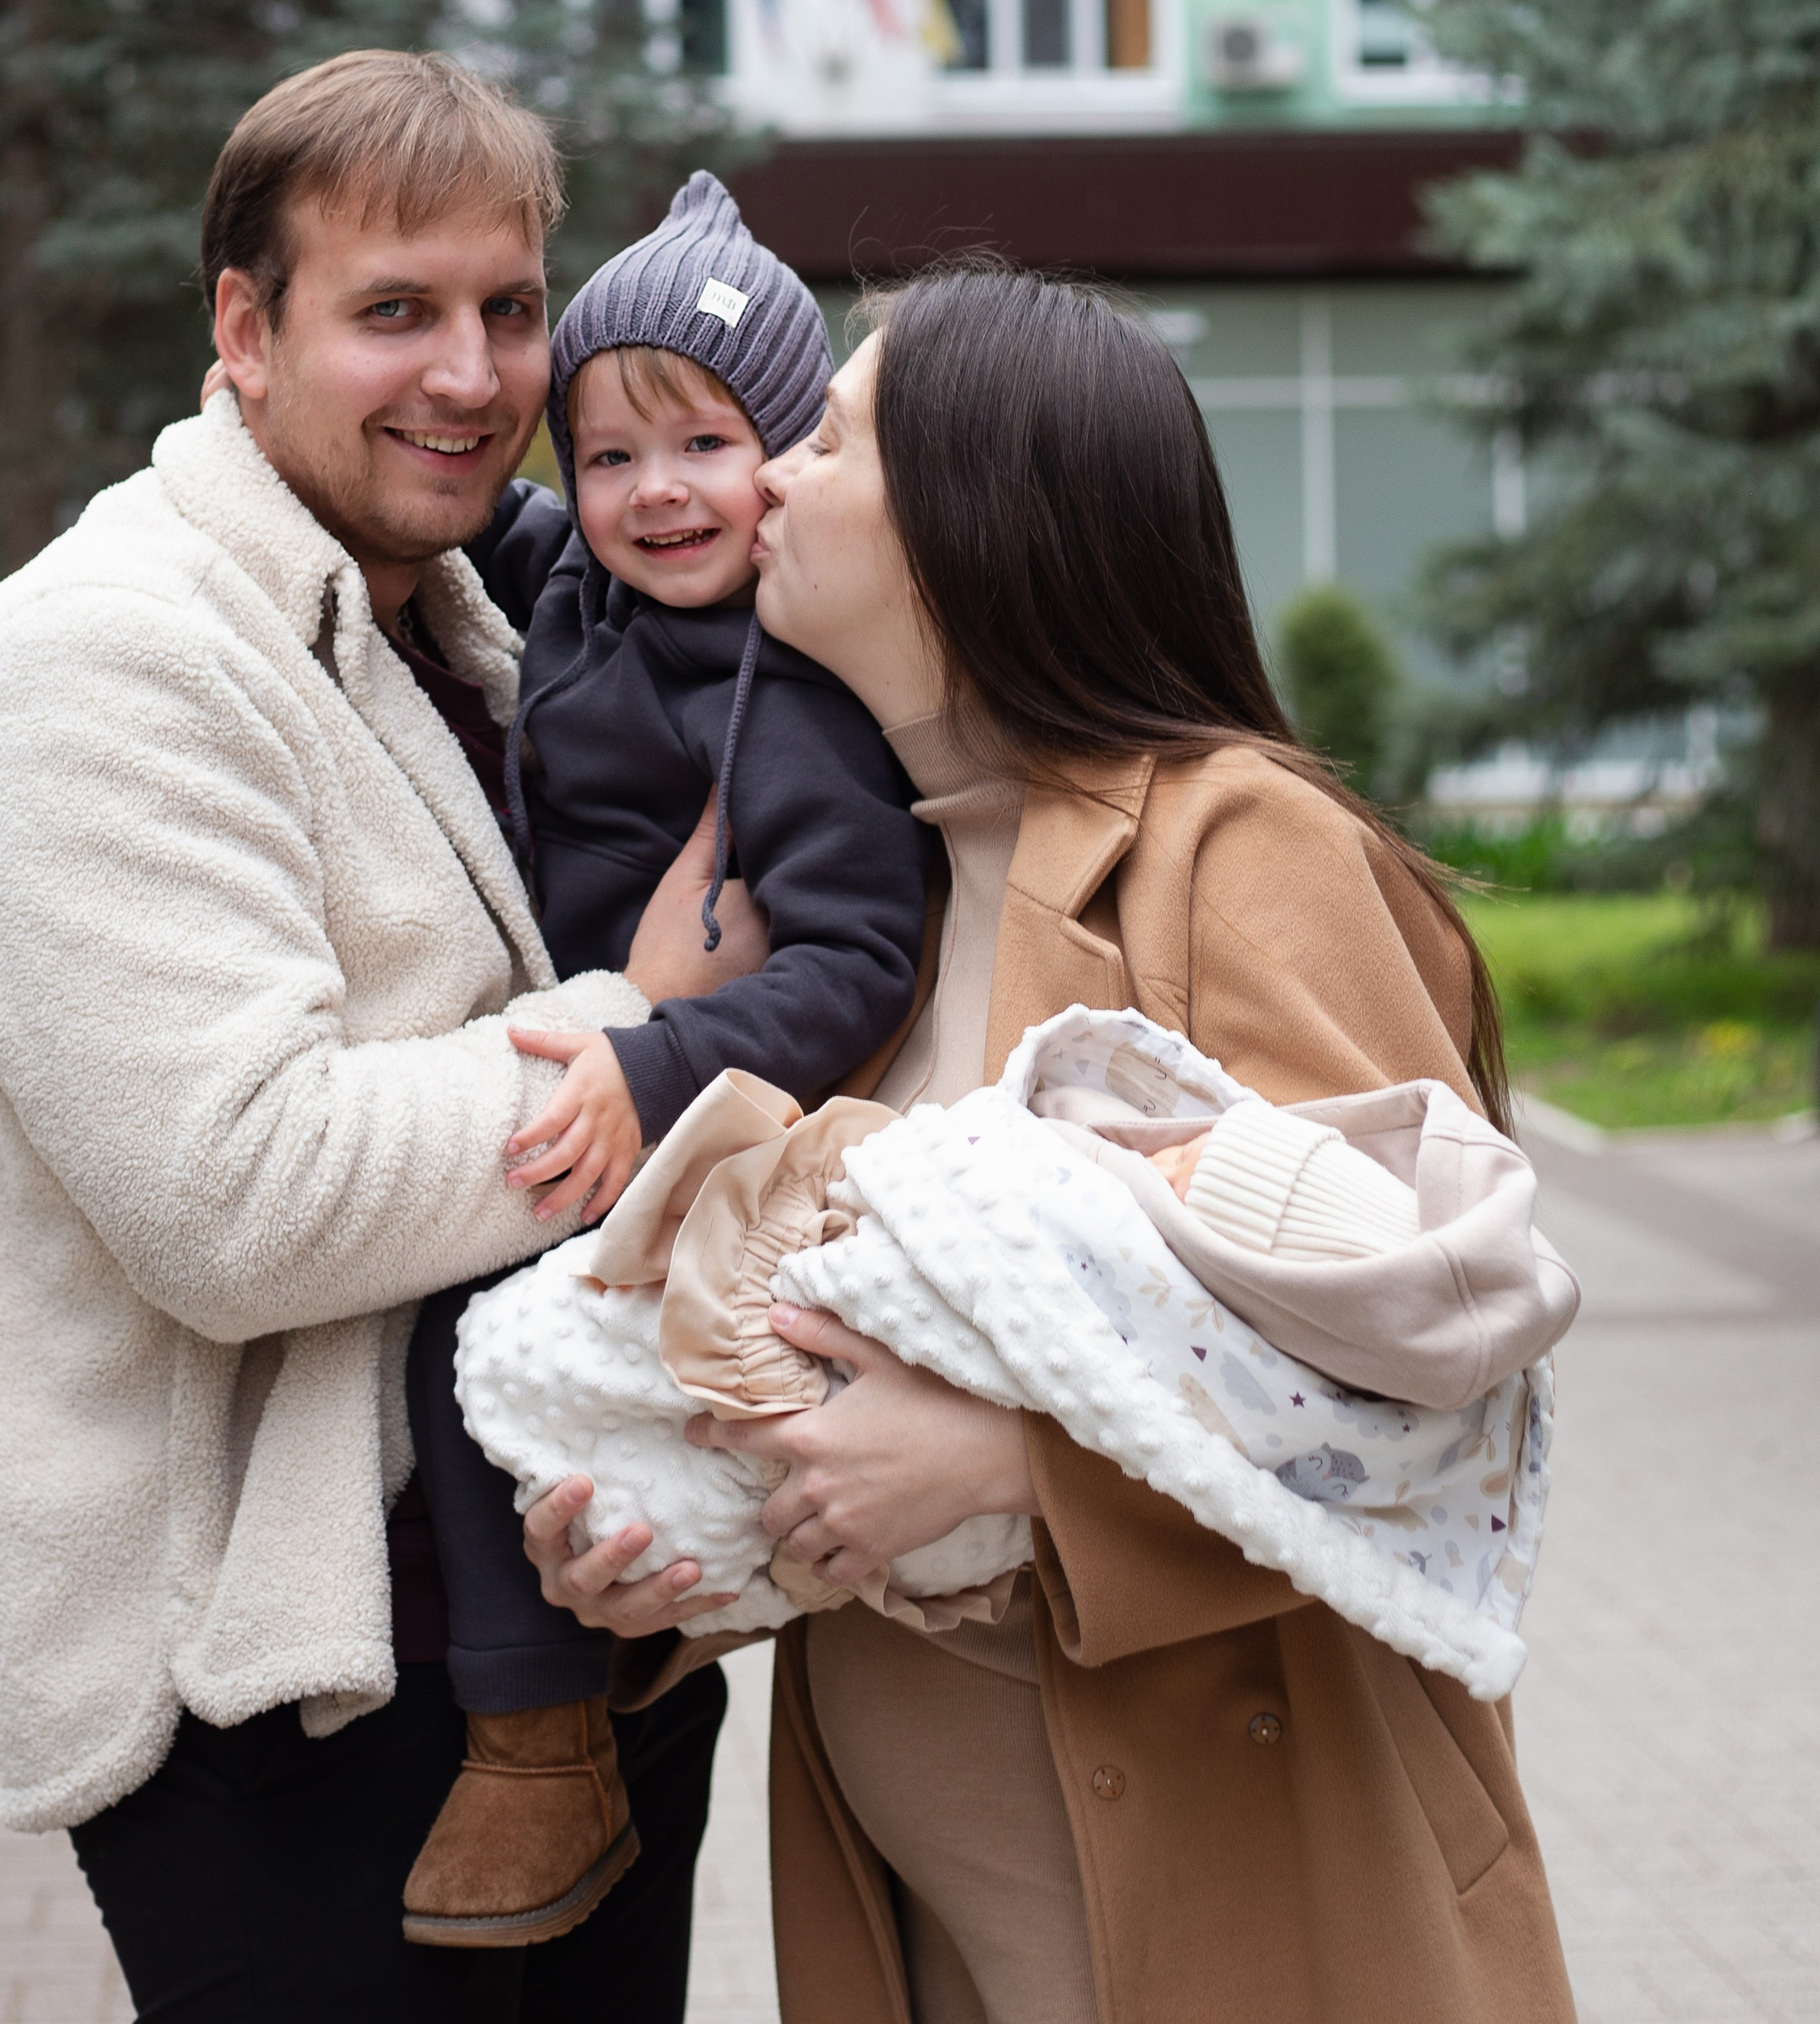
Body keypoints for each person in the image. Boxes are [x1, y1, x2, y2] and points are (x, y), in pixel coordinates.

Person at [515, 267, 1580, 2024]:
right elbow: (856, 1359)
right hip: (933, 1927)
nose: (765, 476)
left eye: (828, 438)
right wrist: (653, 1569)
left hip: (1240, 1907)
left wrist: (1015, 1468)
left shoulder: (1235, 844)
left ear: (963, 518)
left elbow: (1443, 1368)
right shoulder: (876, 900)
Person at [0, 50, 755, 2023]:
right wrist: (653, 1028)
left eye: (509, 309)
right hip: (289, 1698)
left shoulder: (462, 622)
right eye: (393, 312)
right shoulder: (100, 658)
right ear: (243, 327)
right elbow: (241, 1193)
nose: (471, 374)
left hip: (571, 1632)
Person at [399, 173, 930, 1951]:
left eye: (703, 443)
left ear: (785, 456)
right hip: (590, 1070)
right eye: (610, 455)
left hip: (692, 1108)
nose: (654, 494)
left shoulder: (788, 698)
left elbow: (862, 952)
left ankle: (535, 1736)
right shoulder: (581, 583)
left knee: (476, 1355)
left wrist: (666, 1058)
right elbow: (486, 517)